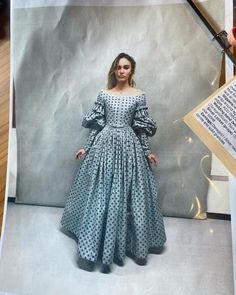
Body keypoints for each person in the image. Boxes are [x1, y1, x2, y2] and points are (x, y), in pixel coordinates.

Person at [61, 52, 166, 273]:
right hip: (104, 145)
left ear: (131, 70)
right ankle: (94, 245)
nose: (121, 71)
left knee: (129, 194)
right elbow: (97, 125)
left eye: (126, 67)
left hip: (129, 148)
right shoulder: (104, 95)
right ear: (114, 70)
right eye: (118, 67)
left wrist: (147, 152)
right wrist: (87, 147)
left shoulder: (138, 96)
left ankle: (130, 245)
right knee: (100, 193)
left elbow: (140, 129)